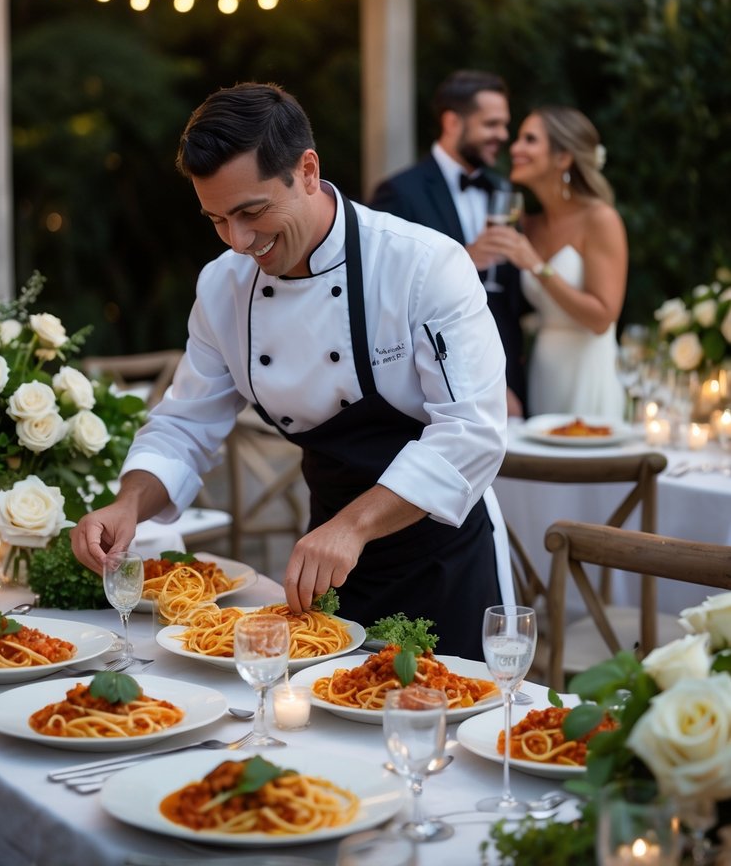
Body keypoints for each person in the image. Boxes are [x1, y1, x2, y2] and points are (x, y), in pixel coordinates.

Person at [71, 82, 510, 656]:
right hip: (323, 570)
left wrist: (353, 527)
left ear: (307, 170)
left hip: (441, 557)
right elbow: (184, 425)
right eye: (217, 219)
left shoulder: (422, 265)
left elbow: (472, 432)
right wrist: (128, 503)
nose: (240, 240)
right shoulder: (223, 285)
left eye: (252, 212)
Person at [369, 70, 527, 416]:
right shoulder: (400, 192)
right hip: (437, 378)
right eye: (492, 124)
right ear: (453, 122)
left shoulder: (502, 190)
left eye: (504, 125)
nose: (502, 135)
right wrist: (464, 259)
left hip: (506, 369)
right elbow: (383, 289)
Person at [486, 105, 627, 420]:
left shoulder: (600, 219)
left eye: (530, 140)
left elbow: (602, 317)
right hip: (542, 369)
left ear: (563, 158)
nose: (516, 148)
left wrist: (536, 265)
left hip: (587, 369)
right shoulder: (527, 224)